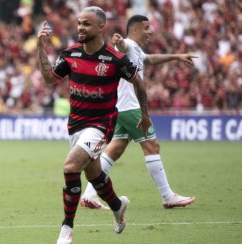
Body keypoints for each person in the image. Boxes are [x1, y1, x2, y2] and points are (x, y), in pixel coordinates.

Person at [37, 7, 152, 244]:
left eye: (86, 24)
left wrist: (145, 115)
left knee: (70, 167)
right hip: (76, 125)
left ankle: (67, 226)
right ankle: (117, 206)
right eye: (79, 23)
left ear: (101, 27)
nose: (80, 28)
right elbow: (49, 78)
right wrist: (40, 47)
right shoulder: (70, 54)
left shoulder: (115, 59)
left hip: (102, 126)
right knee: (94, 175)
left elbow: (139, 84)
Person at [80, 15, 197, 210]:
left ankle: (89, 195)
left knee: (114, 150)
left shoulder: (137, 50)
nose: (150, 31)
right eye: (146, 27)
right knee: (152, 147)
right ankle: (168, 196)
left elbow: (150, 59)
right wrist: (118, 43)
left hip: (120, 108)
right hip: (132, 108)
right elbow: (121, 46)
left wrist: (176, 56)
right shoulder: (128, 44)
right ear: (135, 29)